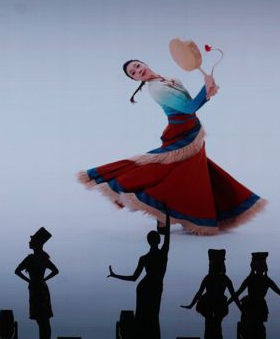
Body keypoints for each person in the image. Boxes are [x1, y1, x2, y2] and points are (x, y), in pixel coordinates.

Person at [78, 59, 266, 234]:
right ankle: (156, 205)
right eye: (133, 72)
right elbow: (189, 108)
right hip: (182, 134)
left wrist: (208, 92)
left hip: (191, 129)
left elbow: (190, 105)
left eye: (137, 66)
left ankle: (166, 215)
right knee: (174, 172)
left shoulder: (171, 79)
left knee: (184, 174)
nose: (137, 70)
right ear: (135, 79)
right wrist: (205, 87)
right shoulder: (156, 89)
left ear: (144, 63)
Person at [108, 209, 170, 339]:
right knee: (153, 315)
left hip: (144, 287)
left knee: (143, 315)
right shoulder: (162, 254)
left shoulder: (145, 258)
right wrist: (167, 215)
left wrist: (115, 275)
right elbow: (167, 236)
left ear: (148, 241)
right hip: (154, 287)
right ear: (158, 240)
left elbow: (133, 278)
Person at [181, 249, 241, 339]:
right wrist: (240, 308)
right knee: (216, 326)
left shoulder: (209, 278)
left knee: (210, 326)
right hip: (216, 305)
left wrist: (191, 305)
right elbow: (234, 295)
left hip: (209, 304)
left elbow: (199, 292)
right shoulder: (224, 279)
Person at [15, 227, 59, 339]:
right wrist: (43, 279)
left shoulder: (31, 258)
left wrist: (29, 280)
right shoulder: (43, 258)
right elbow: (55, 271)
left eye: (32, 240)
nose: (29, 242)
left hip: (36, 288)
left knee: (42, 320)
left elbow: (17, 271)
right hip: (41, 288)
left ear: (36, 243)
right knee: (44, 320)